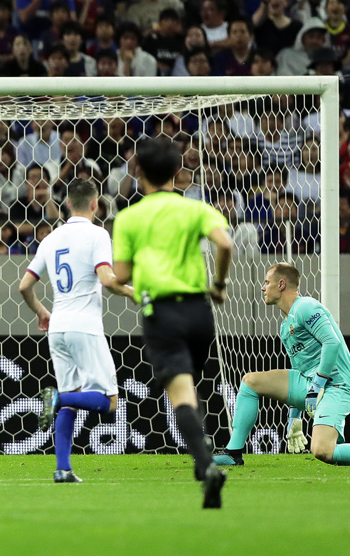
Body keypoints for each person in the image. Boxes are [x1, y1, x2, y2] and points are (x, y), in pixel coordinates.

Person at [111, 136, 234, 508]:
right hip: (199, 310)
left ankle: (206, 464)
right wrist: (218, 284)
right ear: (178, 173)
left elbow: (119, 274)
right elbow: (226, 244)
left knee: (180, 394)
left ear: (139, 173)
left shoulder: (129, 217)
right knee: (193, 388)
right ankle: (204, 451)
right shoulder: (194, 209)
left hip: (161, 313)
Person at [213, 263, 350, 468]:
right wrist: (294, 417)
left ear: (281, 284)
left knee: (322, 451)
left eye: (267, 282)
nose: (263, 287)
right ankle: (233, 453)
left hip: (337, 385)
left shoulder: (306, 307)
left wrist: (317, 386)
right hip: (312, 383)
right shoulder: (286, 326)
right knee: (250, 382)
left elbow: (332, 342)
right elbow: (300, 371)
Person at [19, 178, 134, 483]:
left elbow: (25, 286)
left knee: (73, 396)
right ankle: (53, 399)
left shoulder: (50, 239)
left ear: (68, 204)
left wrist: (41, 311)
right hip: (85, 327)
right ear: (96, 204)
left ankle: (62, 469)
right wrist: (135, 293)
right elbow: (108, 280)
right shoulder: (98, 234)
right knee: (108, 400)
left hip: (58, 327)